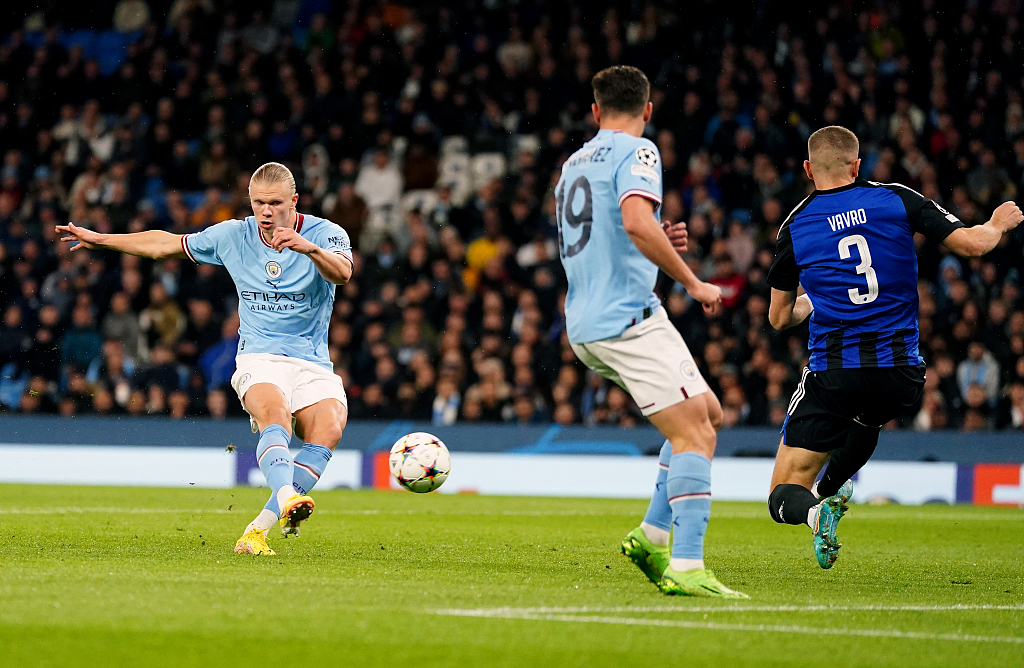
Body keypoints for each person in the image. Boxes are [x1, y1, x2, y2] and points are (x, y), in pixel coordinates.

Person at [58, 162, 354, 556]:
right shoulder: (234, 235)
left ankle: (256, 531)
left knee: (329, 429)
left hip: (311, 360)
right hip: (260, 357)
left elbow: (344, 274)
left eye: (276, 203)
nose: (266, 212)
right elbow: (165, 244)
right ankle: (286, 495)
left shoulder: (326, 233)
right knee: (276, 416)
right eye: (258, 203)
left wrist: (310, 249)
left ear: (294, 201)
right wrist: (105, 240)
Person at [765, 125, 1023, 568]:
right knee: (869, 416)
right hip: (901, 372)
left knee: (781, 494)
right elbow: (973, 245)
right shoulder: (897, 198)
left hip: (836, 371)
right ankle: (832, 491)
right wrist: (998, 222)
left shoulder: (795, 225)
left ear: (808, 169)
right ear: (858, 165)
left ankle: (813, 510)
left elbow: (778, 318)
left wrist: (816, 298)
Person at [556, 65, 745, 598]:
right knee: (695, 434)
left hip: (589, 319)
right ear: (648, 109)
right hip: (628, 319)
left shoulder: (573, 164)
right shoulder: (640, 151)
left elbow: (609, 233)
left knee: (709, 413)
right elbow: (635, 222)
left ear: (595, 112)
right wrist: (693, 282)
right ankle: (685, 565)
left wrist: (659, 238)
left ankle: (651, 534)